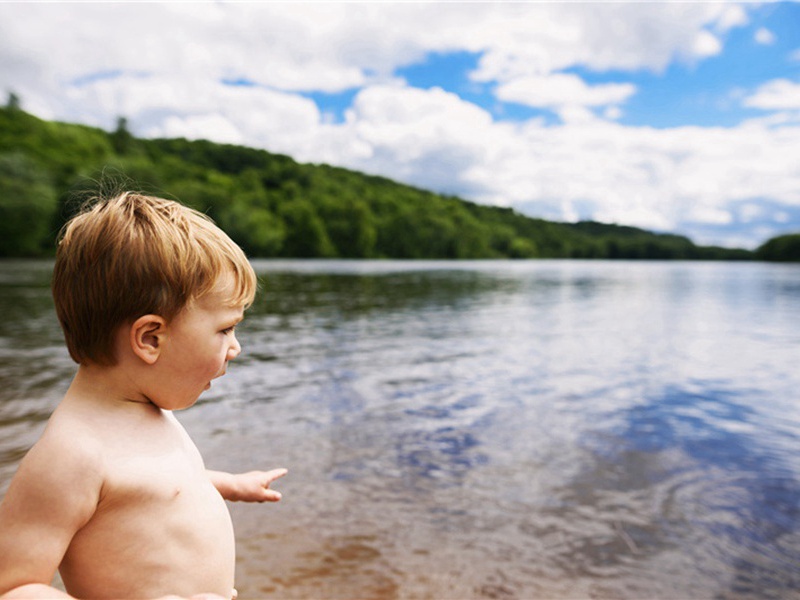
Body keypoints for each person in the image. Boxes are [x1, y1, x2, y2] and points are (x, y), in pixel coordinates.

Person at [0, 192, 287, 599]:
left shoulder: (144, 408)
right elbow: (13, 587)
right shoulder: (70, 456)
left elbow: (148, 484)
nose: (236, 347)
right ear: (150, 338)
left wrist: (227, 484)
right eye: (225, 329)